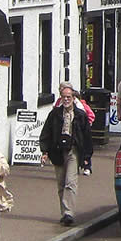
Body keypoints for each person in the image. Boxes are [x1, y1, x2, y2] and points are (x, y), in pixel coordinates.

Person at [40, 85, 94, 226]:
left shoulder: (80, 115)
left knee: (70, 182)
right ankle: (63, 212)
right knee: (61, 184)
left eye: (69, 97)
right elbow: (46, 133)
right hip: (57, 151)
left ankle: (68, 213)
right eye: (63, 97)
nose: (66, 99)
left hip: (73, 151)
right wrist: (44, 151)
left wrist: (87, 157)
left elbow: (87, 136)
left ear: (73, 98)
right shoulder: (54, 114)